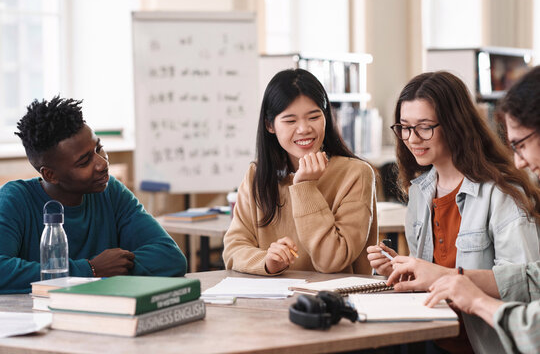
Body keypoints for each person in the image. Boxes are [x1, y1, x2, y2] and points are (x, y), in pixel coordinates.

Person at [367, 71, 540, 353]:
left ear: (454, 125)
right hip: (432, 338)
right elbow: (429, 279)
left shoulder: (503, 194)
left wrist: (440, 275)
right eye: (404, 127)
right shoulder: (420, 192)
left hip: (482, 345)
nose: (412, 139)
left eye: (424, 127)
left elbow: (527, 286)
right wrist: (401, 269)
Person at [0, 96, 187, 294]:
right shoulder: (14, 200)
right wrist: (90, 270)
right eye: (84, 162)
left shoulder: (111, 191)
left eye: (99, 148)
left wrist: (112, 268)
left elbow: (170, 257)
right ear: (50, 175)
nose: (102, 163)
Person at [222, 68, 377, 276]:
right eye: (290, 121)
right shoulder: (257, 174)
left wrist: (305, 187)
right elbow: (233, 249)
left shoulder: (356, 173)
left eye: (314, 117)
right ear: (270, 125)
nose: (304, 129)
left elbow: (332, 260)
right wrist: (267, 261)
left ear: (326, 117)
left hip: (335, 302)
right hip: (271, 301)